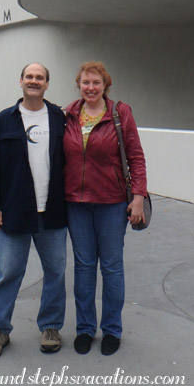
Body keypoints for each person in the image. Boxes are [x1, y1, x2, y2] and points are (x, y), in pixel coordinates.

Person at [0, 62, 67, 359]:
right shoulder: (3, 121)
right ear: (20, 81)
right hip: (15, 212)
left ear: (47, 84)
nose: (34, 81)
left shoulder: (59, 118)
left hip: (53, 212)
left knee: (55, 272)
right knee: (8, 273)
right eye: (29, 76)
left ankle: (51, 327)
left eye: (39, 77)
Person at [63, 61, 148, 356]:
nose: (90, 88)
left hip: (112, 203)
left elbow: (136, 157)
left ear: (105, 85)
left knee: (112, 267)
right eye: (86, 82)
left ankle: (112, 329)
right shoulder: (68, 115)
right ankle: (85, 328)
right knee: (84, 267)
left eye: (96, 83)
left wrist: (137, 196)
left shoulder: (119, 113)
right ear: (79, 84)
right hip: (76, 203)